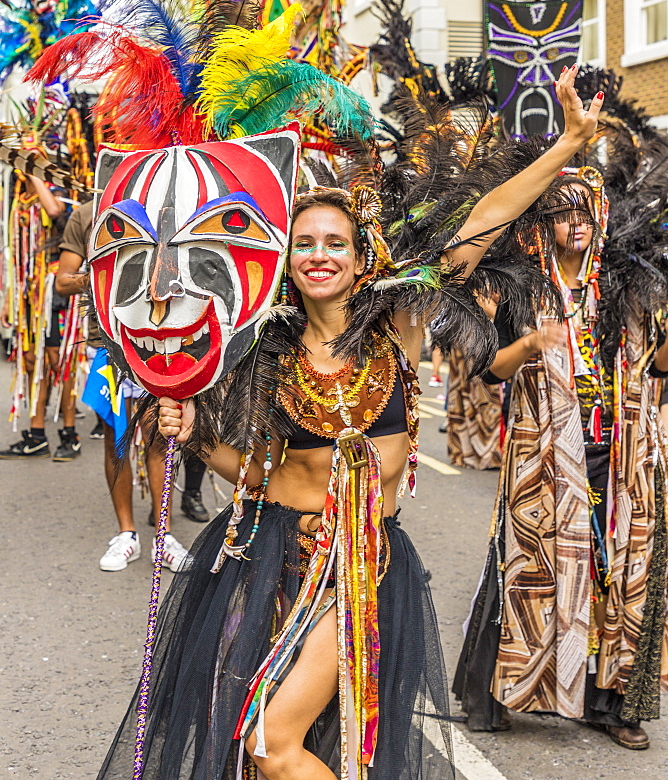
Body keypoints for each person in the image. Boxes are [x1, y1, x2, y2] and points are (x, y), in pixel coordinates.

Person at [95, 68, 602, 779]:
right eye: (304, 243)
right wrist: (189, 433)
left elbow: (482, 222)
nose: (320, 256)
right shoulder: (261, 351)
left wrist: (567, 141)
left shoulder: (398, 326)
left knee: (272, 745)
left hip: (361, 573)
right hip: (265, 563)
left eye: (336, 243)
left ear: (363, 260)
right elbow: (254, 473)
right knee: (255, 755)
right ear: (284, 259)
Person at [454, 166, 668, 750]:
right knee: (531, 566)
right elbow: (490, 368)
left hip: (619, 455)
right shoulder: (523, 287)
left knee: (617, 577)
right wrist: (527, 343)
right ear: (545, 222)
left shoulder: (628, 284)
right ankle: (499, 693)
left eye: (585, 210)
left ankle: (612, 706)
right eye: (564, 211)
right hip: (545, 453)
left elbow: (658, 366)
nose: (577, 222)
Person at [56, 199, 190, 571]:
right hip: (111, 346)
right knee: (116, 440)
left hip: (162, 344)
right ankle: (126, 534)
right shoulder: (86, 214)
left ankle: (163, 537)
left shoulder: (171, 202)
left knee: (161, 436)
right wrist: (105, 274)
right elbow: (63, 281)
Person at [0, 172, 78, 460]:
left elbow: (55, 210)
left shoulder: (57, 188)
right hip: (29, 293)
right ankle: (37, 435)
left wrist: (34, 174)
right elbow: (11, 250)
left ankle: (70, 434)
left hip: (55, 292)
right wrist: (10, 297)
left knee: (60, 361)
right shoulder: (16, 197)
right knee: (33, 362)